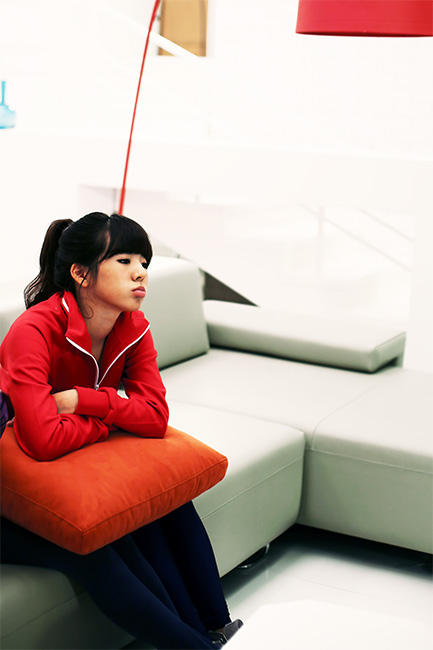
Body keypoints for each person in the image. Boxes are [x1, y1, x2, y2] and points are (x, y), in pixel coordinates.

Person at [0, 212, 243, 649]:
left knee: (164, 500)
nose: (141, 272)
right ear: (81, 274)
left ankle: (216, 628)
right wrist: (105, 425)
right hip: (14, 488)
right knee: (105, 544)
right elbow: (41, 439)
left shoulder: (133, 328)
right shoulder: (33, 329)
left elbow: (154, 417)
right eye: (125, 260)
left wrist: (84, 401)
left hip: (63, 470)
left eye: (144, 262)